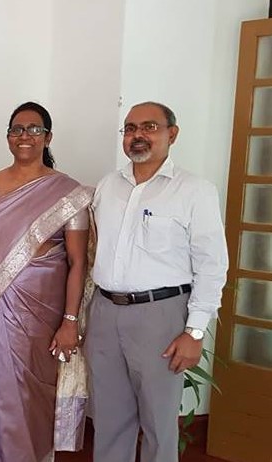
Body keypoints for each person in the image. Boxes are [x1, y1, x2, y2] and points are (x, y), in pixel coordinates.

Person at [86, 102, 228, 462]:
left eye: (149, 126)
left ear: (172, 134)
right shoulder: (108, 186)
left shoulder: (194, 191)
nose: (138, 135)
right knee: (108, 420)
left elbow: (212, 265)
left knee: (158, 425)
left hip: (160, 318)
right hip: (104, 312)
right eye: (131, 128)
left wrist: (194, 332)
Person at [0, 101, 92, 462]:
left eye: (33, 129)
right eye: (17, 129)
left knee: (31, 397)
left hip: (40, 317)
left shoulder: (68, 193)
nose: (24, 136)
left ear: (48, 137)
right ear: (8, 137)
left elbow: (78, 263)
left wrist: (70, 321)